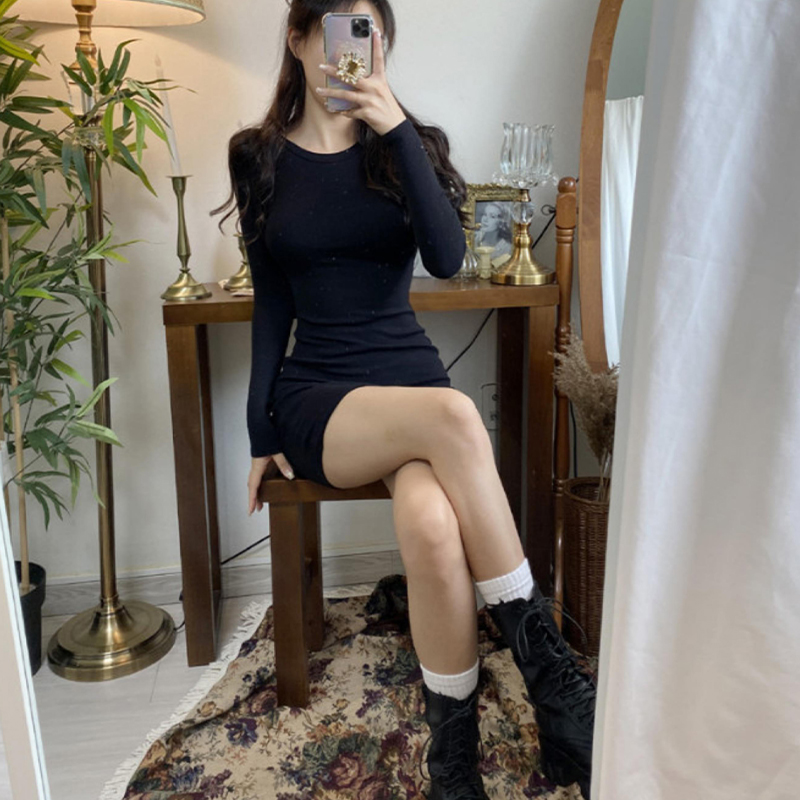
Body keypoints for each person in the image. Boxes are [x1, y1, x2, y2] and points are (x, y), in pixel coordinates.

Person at [211, 2, 596, 798]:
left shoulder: (410, 144)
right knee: (455, 415)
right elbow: (272, 302)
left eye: (372, 33)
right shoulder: (257, 156)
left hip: (409, 384)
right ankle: (551, 676)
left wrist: (394, 132)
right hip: (321, 396)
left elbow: (449, 259)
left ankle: (452, 764)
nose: (356, 48)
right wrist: (258, 431)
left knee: (429, 522)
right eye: (340, 28)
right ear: (299, 38)